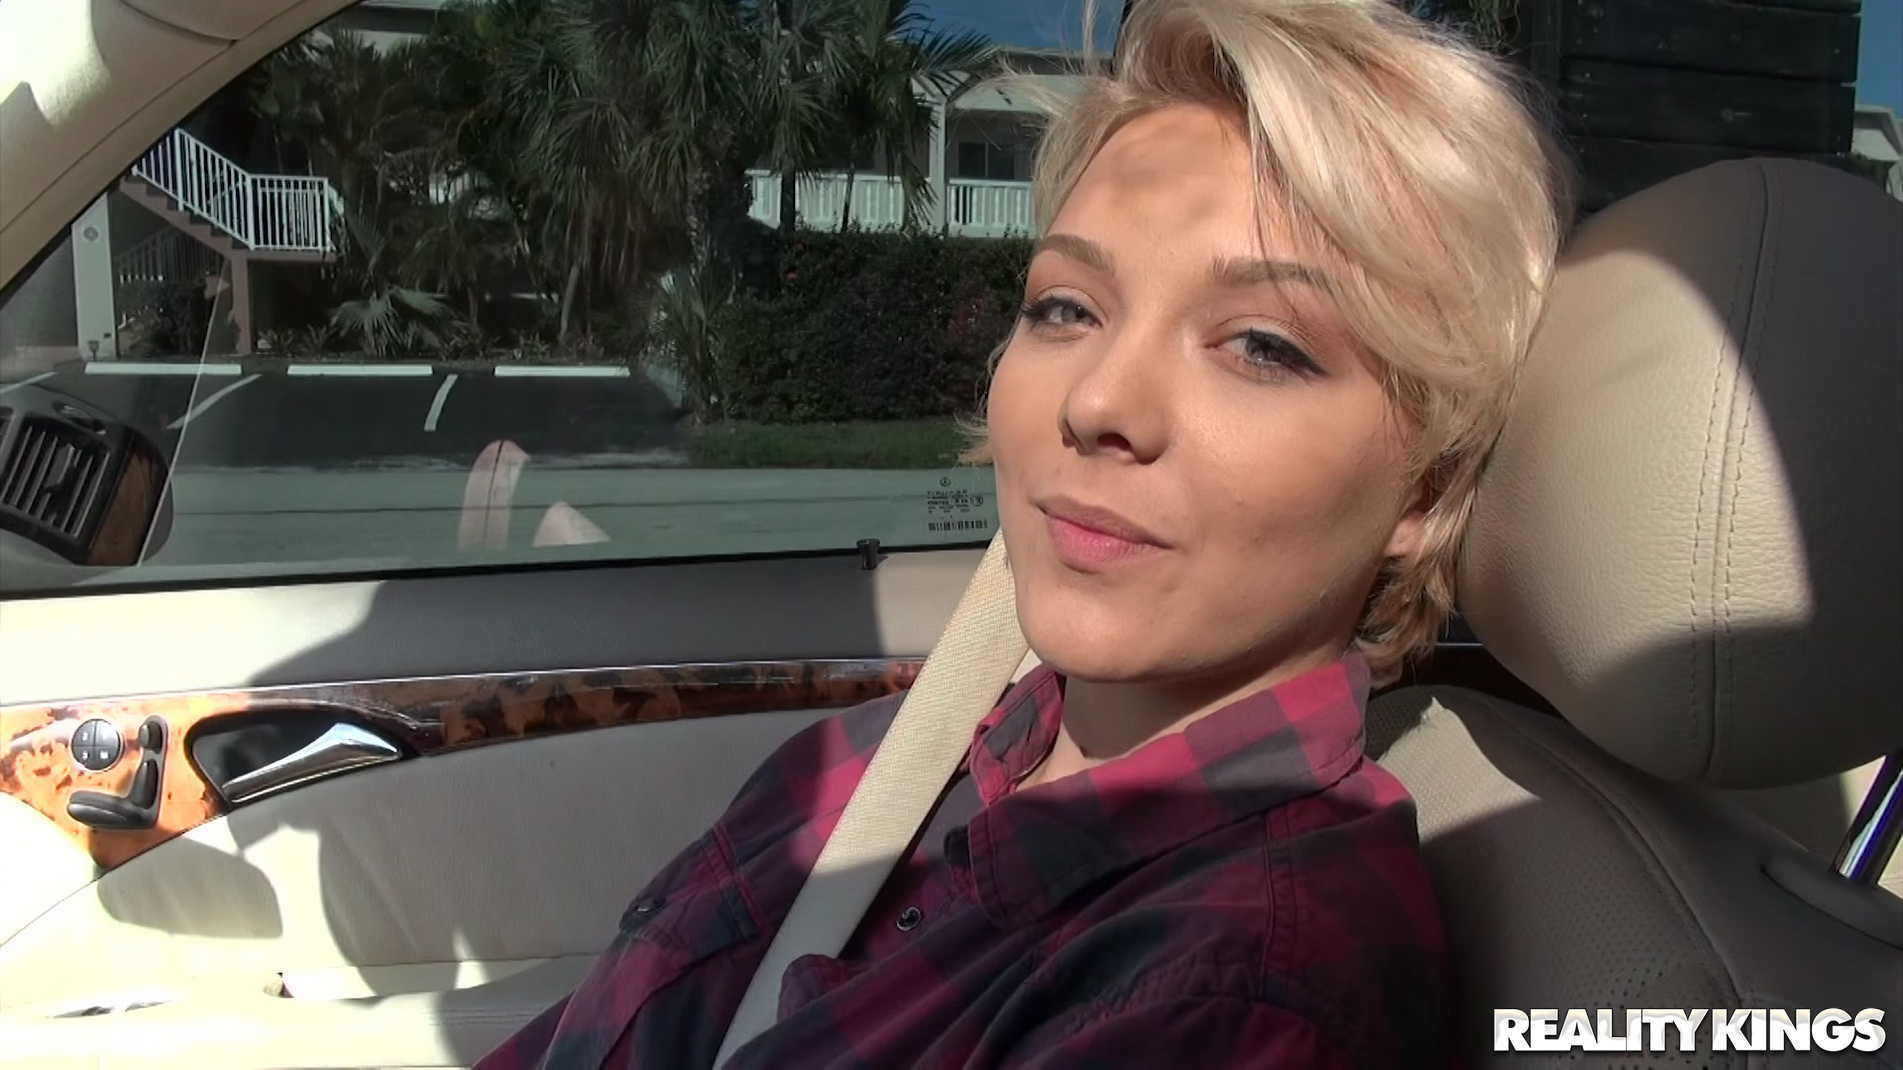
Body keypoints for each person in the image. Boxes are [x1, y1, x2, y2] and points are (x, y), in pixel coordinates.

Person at [479, 0, 1568, 1065]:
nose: (1096, 401)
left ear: (1421, 490)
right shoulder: (912, 747)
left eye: (1262, 345)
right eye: (1066, 307)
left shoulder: (1230, 992)